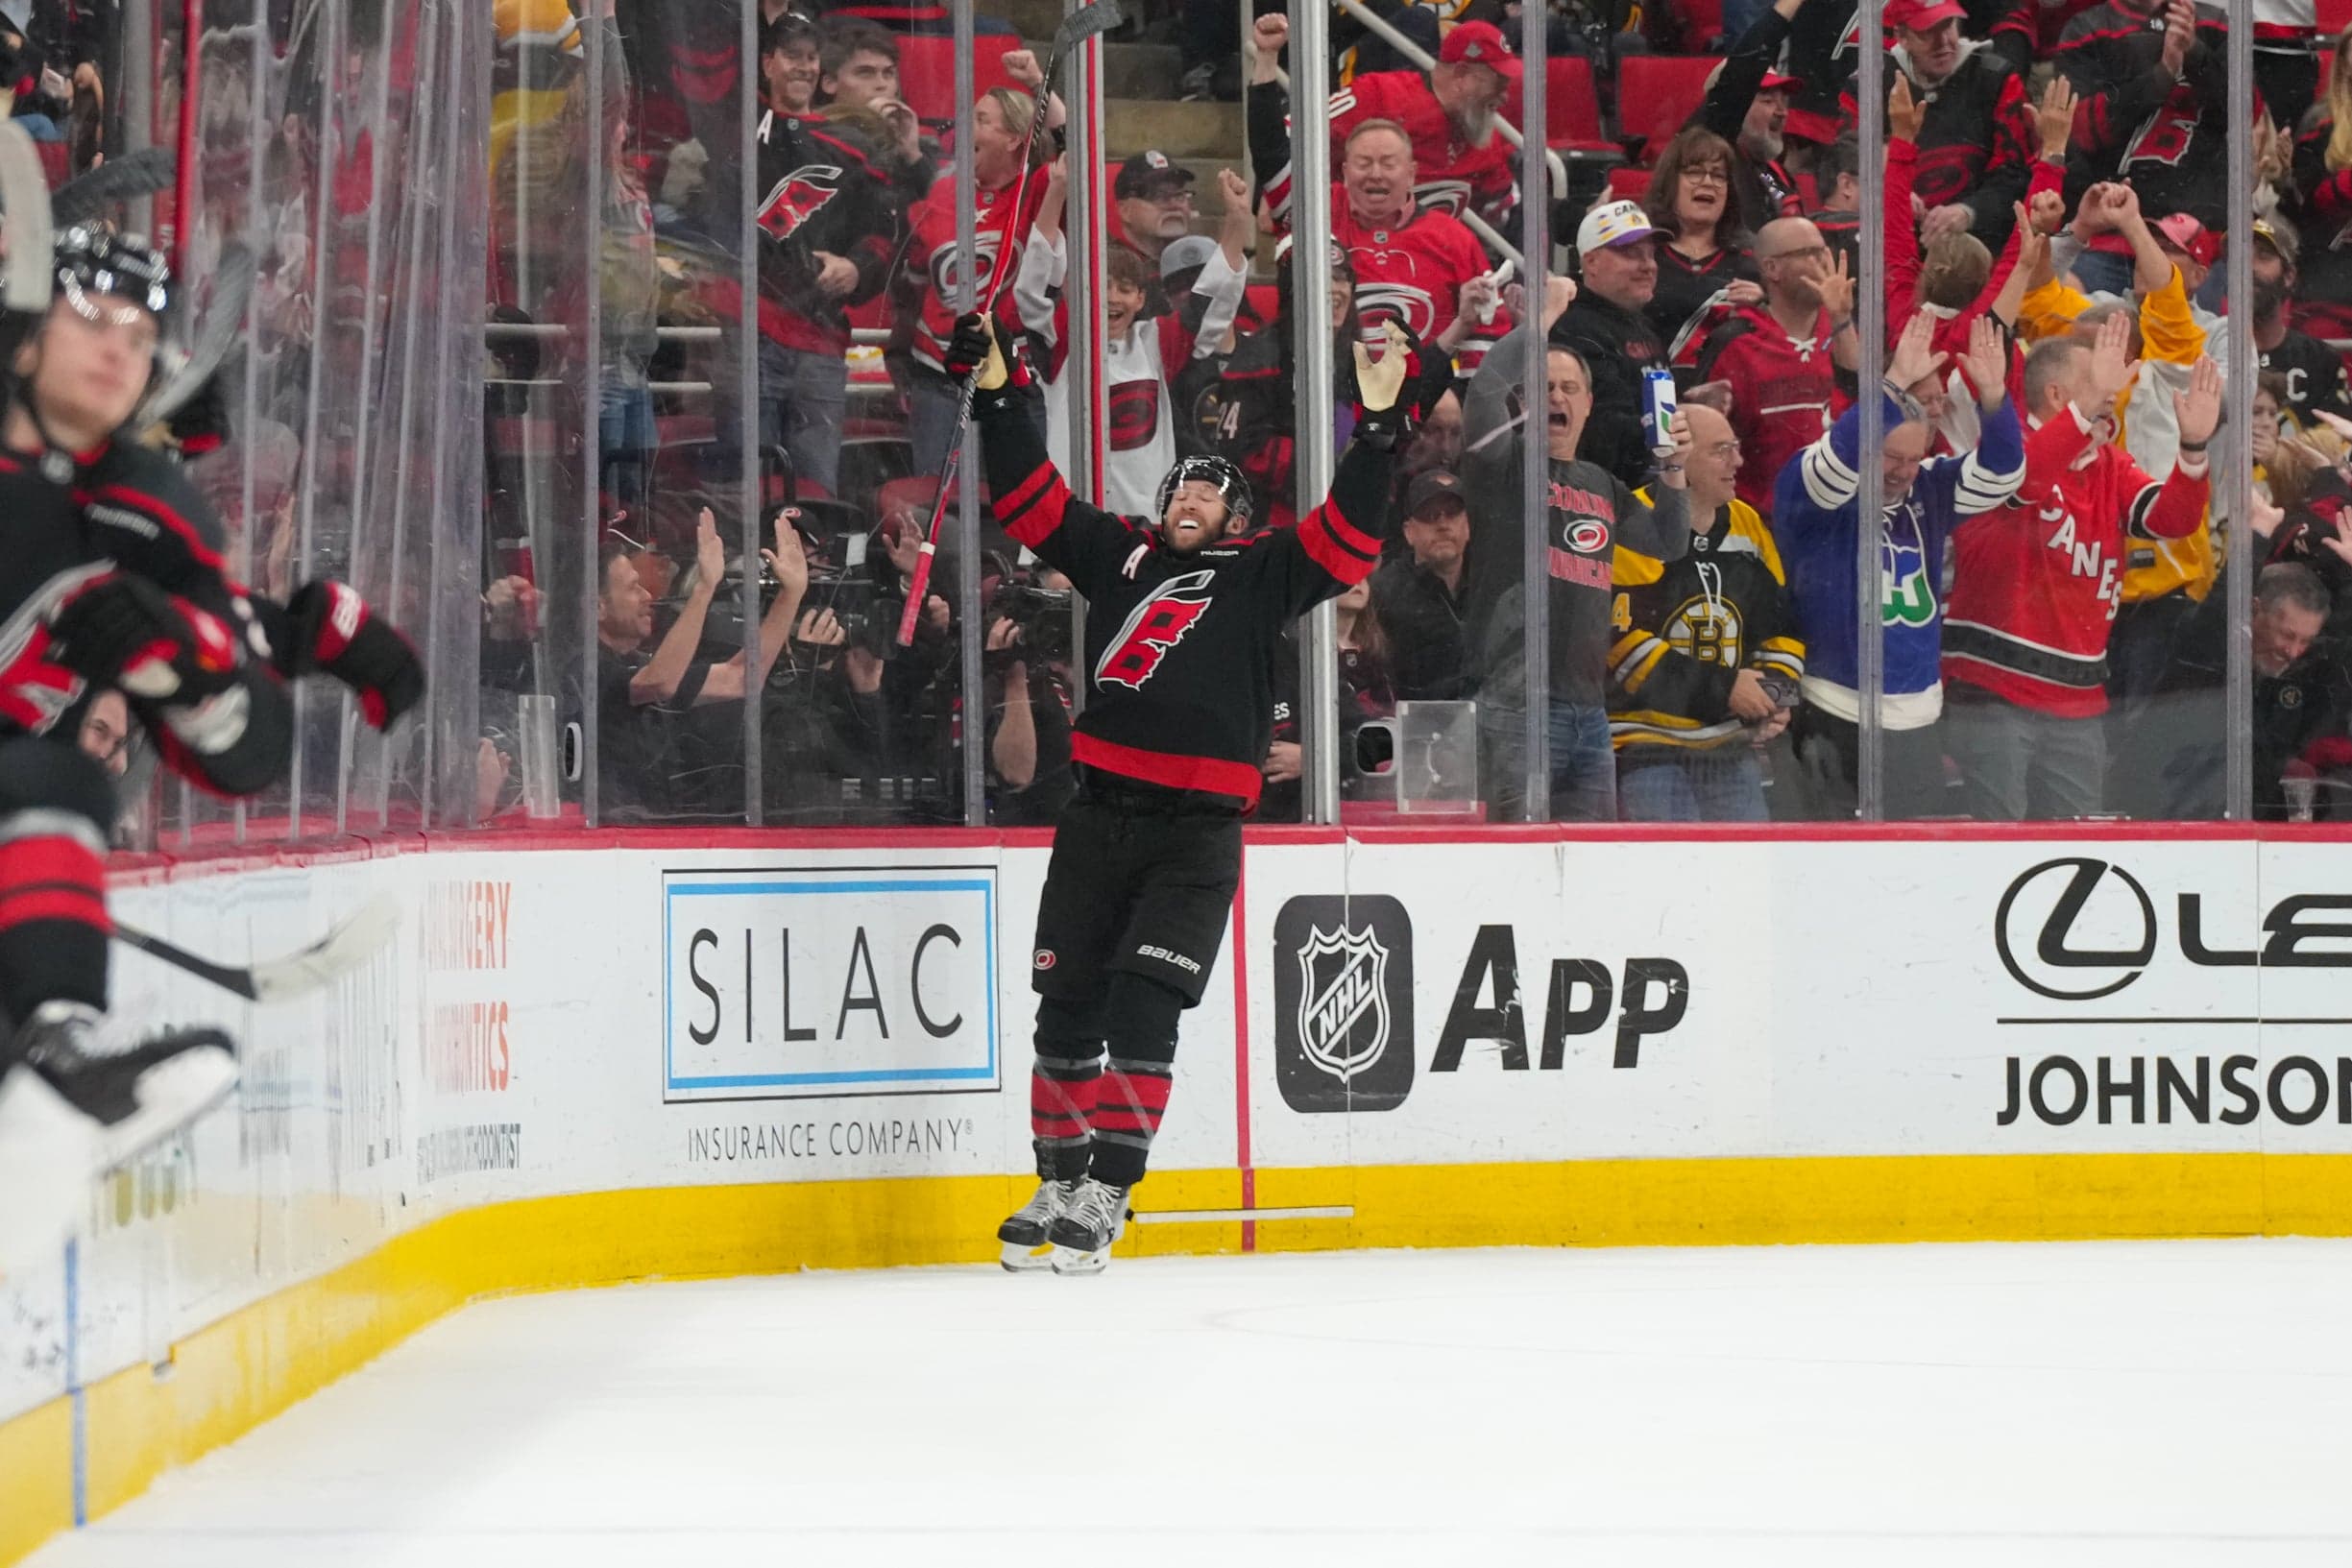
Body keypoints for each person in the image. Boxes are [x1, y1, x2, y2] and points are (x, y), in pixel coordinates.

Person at [0, 228, 423, 1271]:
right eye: (91, 319)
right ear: (20, 335)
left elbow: (244, 746)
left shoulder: (143, 512)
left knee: (52, 780)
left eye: (141, 336)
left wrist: (178, 661)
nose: (116, 349)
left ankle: (50, 1068)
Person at [962, 311, 1415, 1274]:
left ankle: (1111, 1188)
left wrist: (1376, 438)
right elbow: (1029, 501)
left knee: (1141, 1005)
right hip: (1096, 819)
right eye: (1183, 482)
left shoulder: (1262, 570)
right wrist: (1001, 397)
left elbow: (1349, 538)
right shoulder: (1119, 552)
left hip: (1195, 836)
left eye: (1212, 488)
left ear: (1237, 517)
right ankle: (1055, 1172)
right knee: (1065, 1008)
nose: (1191, 493)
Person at [1940, 320, 2219, 819]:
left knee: (2079, 845)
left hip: (2078, 699)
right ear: (2057, 393)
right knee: (1998, 843)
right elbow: (2028, 479)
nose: (2114, 387)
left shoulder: (2108, 463)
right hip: (1994, 691)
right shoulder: (2003, 451)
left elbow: (2170, 519)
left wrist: (2193, 450)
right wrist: (2090, 404)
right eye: (2098, 377)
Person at [1465, 276, 1698, 822]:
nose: (1557, 397)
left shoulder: (1600, 481)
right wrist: (1538, 324)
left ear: (1589, 404)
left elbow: (1668, 542)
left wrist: (1672, 463)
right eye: (1544, 386)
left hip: (1590, 710)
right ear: (1520, 402)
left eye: (1570, 388)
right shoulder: (1499, 463)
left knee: (1591, 867)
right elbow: (1482, 392)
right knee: (1516, 860)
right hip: (1515, 704)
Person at [1777, 312, 2025, 818]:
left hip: (1916, 715)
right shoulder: (1812, 482)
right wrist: (1887, 389)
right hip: (1833, 706)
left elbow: (2001, 476)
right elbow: (1835, 467)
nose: (1904, 474)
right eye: (1891, 458)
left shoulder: (1928, 485)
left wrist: (1995, 399)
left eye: (1914, 459)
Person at [1249, 41, 1513, 370]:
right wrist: (1266, 58)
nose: (1375, 174)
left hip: (1425, 401)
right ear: (1343, 171)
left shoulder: (1454, 238)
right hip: (1328, 394)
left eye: (1388, 163)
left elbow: (1487, 332)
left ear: (1412, 174)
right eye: (1363, 162)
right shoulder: (1319, 211)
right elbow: (1270, 147)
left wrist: (1460, 399)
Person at [1015, 158, 1250, 518]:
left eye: (1125, 289)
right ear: (1080, 295)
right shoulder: (1064, 344)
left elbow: (1209, 302)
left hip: (1146, 527)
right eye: (1101, 288)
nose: (1112, 298)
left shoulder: (1154, 343)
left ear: (1141, 299)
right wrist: (1057, 190)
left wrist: (1236, 220)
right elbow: (1034, 287)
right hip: (1071, 525)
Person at [1609, 400, 1805, 820]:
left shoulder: (1747, 524)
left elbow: (1780, 626)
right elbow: (1623, 649)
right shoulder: (1633, 523)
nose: (1738, 460)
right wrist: (1727, 690)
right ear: (1680, 456)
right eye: (1721, 450)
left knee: (1745, 876)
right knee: (1671, 876)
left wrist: (1773, 695)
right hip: (1648, 747)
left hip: (1729, 747)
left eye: (1734, 447)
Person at [753, 12, 901, 499]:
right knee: (750, 487)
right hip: (750, 335)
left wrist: (856, 267)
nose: (804, 67)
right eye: (792, 56)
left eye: (811, 57)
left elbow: (885, 234)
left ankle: (811, 572)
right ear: (767, 62)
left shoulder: (851, 146)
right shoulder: (739, 131)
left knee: (816, 491)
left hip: (820, 340)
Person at [593, 510, 810, 819]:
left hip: (656, 832)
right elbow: (660, 682)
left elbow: (741, 677)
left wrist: (791, 594)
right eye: (632, 588)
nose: (646, 596)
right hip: (612, 841)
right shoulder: (588, 668)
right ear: (598, 606)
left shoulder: (638, 664)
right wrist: (705, 587)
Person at [893, 84, 1047, 477]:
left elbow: (1073, 159)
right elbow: (912, 281)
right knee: (940, 504)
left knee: (1019, 503)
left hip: (1012, 377)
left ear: (1014, 138)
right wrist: (899, 352)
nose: (967, 129)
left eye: (982, 121)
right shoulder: (944, 192)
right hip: (939, 373)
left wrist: (1034, 79)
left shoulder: (1036, 192)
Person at [1256, 12, 1518, 230]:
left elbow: (1507, 211)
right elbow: (1292, 133)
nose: (1505, 96)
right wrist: (1279, 202)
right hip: (1351, 262)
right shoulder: (1379, 95)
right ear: (1462, 75)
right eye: (1498, 82)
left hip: (1429, 270)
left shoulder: (1485, 135)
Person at [1695, 216, 1858, 519]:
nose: (1823, 262)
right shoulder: (1735, 342)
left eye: (1823, 251)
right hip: (1759, 521)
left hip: (1838, 517)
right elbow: (1704, 437)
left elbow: (1864, 400)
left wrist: (1841, 318)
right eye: (1807, 253)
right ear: (1772, 269)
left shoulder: (1843, 331)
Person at [1846, 0, 2038, 249]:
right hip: (1892, 243)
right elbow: (1845, 163)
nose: (1944, 41)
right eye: (1928, 32)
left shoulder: (1996, 79)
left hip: (1981, 243)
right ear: (1902, 37)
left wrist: (1969, 212)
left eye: (1948, 25)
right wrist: (1890, 190)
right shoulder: (1867, 86)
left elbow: (2016, 173)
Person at [1551, 199, 1672, 491]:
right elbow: (1605, 434)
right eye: (1632, 254)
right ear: (1591, 262)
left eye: (1650, 254)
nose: (1648, 266)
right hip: (1601, 496)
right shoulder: (1573, 327)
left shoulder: (1640, 324)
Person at [1642, 128, 1762, 360]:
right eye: (1694, 173)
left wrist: (1764, 306)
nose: (1708, 183)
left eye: (1719, 176)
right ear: (1670, 184)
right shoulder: (1644, 255)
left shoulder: (1752, 260)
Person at [1371, 467, 1477, 701]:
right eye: (1430, 515)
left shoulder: (1490, 586)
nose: (1442, 525)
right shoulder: (1384, 593)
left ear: (1468, 525)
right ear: (1409, 532)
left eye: (1452, 513)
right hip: (1415, 726)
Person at [1698, 0, 1809, 224]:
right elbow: (1744, 66)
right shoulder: (1713, 148)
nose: (1782, 112)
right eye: (1768, 100)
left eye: (1783, 101)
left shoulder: (1775, 171)